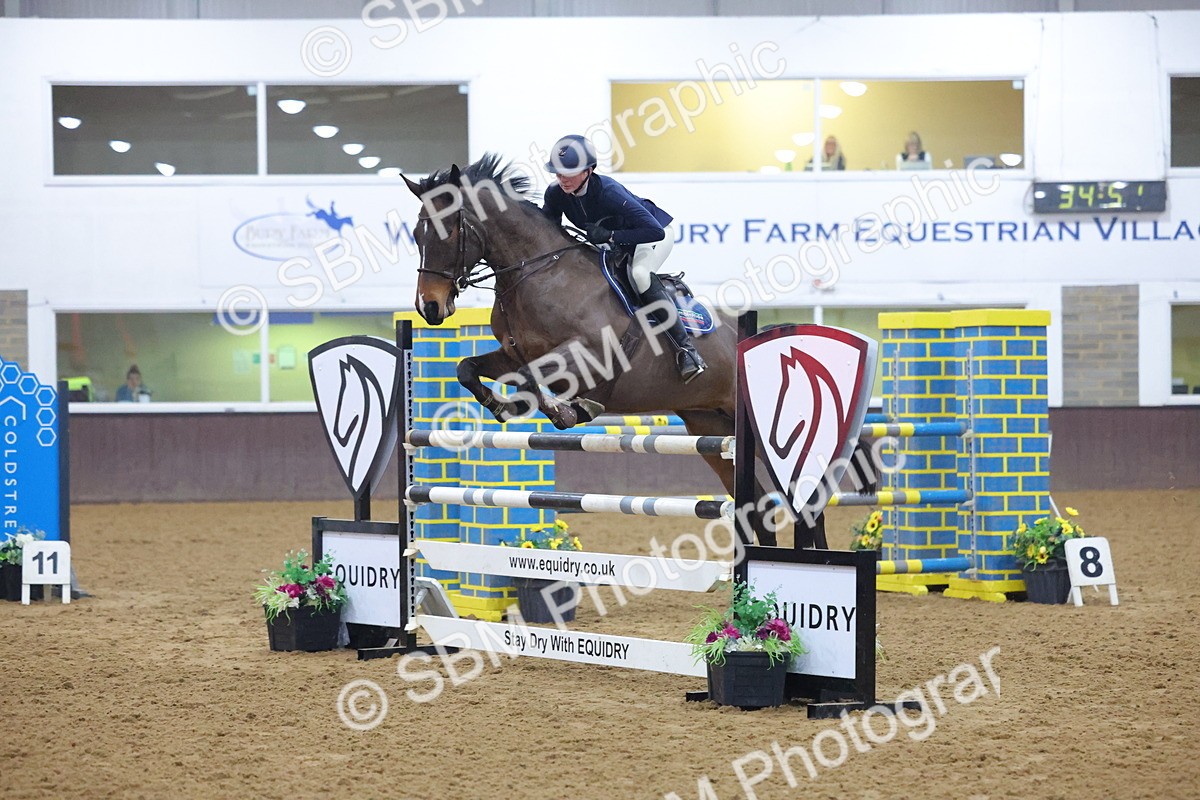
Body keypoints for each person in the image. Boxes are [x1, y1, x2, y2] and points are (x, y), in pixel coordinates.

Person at [540, 134, 707, 383]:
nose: (562, 178)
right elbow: (548, 229)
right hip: (615, 244)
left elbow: (654, 230)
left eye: (569, 172)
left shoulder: (609, 192)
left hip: (651, 235)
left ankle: (688, 352)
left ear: (589, 170)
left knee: (639, 275)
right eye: (557, 172)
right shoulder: (556, 193)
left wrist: (612, 235)